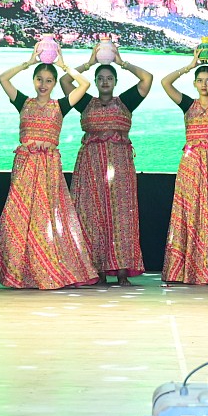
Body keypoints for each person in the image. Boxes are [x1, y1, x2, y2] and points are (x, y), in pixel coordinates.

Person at [0, 53, 99, 289]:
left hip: (48, 169)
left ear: (54, 83)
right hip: (25, 168)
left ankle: (48, 271)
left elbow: (84, 84)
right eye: (39, 79)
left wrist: (63, 65)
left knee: (46, 220)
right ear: (34, 80)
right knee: (19, 219)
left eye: (48, 80)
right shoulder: (23, 102)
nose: (43, 85)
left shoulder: (60, 106)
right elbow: (3, 78)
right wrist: (27, 63)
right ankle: (18, 273)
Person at [63, 45, 153, 284]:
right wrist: (89, 62)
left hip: (120, 166)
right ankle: (98, 271)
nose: (105, 82)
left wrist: (122, 63)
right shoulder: (85, 102)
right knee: (92, 215)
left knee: (121, 215)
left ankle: (122, 271)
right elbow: (65, 81)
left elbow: (147, 78)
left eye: (109, 78)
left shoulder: (126, 102)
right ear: (94, 82)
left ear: (115, 82)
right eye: (100, 78)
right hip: (90, 166)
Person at [160, 58, 208, 284]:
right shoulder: (188, 105)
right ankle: (187, 270)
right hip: (191, 165)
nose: (204, 85)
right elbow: (165, 82)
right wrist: (190, 65)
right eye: (200, 80)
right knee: (190, 211)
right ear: (194, 83)